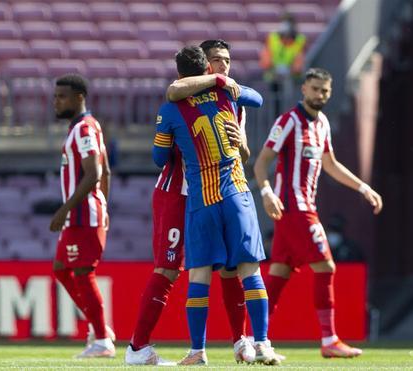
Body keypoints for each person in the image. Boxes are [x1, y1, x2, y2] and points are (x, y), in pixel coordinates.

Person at [125, 39, 259, 366]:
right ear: (204, 67)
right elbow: (164, 145)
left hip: (220, 193)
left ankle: (241, 342)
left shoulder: (230, 98)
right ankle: (137, 347)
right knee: (169, 268)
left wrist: (240, 145)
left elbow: (244, 148)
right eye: (216, 61)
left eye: (227, 61)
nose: (223, 67)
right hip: (178, 193)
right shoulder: (179, 99)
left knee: (230, 267)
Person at [153, 45, 281, 366]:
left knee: (199, 275)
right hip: (237, 194)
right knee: (250, 271)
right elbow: (258, 98)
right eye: (218, 64)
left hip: (203, 199)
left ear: (180, 70)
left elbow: (158, 158)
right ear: (207, 68)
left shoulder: (172, 109)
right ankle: (263, 343)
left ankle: (198, 350)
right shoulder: (228, 96)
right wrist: (222, 83)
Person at [253, 68, 383, 358]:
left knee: (278, 275)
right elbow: (261, 163)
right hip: (294, 209)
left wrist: (363, 188)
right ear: (304, 90)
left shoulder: (322, 123)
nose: (320, 95)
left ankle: (254, 339)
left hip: (303, 208)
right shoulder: (288, 122)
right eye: (315, 89)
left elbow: (331, 164)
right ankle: (329, 340)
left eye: (325, 90)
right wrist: (266, 193)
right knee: (326, 267)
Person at [49, 74, 115, 358]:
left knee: (82, 273)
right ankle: (99, 327)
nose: (56, 101)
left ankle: (101, 340)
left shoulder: (84, 130)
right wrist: (106, 206)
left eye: (62, 96)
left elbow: (95, 173)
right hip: (82, 215)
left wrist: (64, 210)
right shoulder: (87, 126)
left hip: (81, 216)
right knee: (61, 269)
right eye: (55, 96)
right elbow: (107, 172)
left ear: (79, 98)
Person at [259, 14, 307, 117]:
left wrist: (291, 70)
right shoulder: (272, 38)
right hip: (274, 77)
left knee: (292, 105)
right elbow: (266, 57)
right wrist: (273, 68)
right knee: (276, 106)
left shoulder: (300, 40)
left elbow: (299, 60)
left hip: (292, 79)